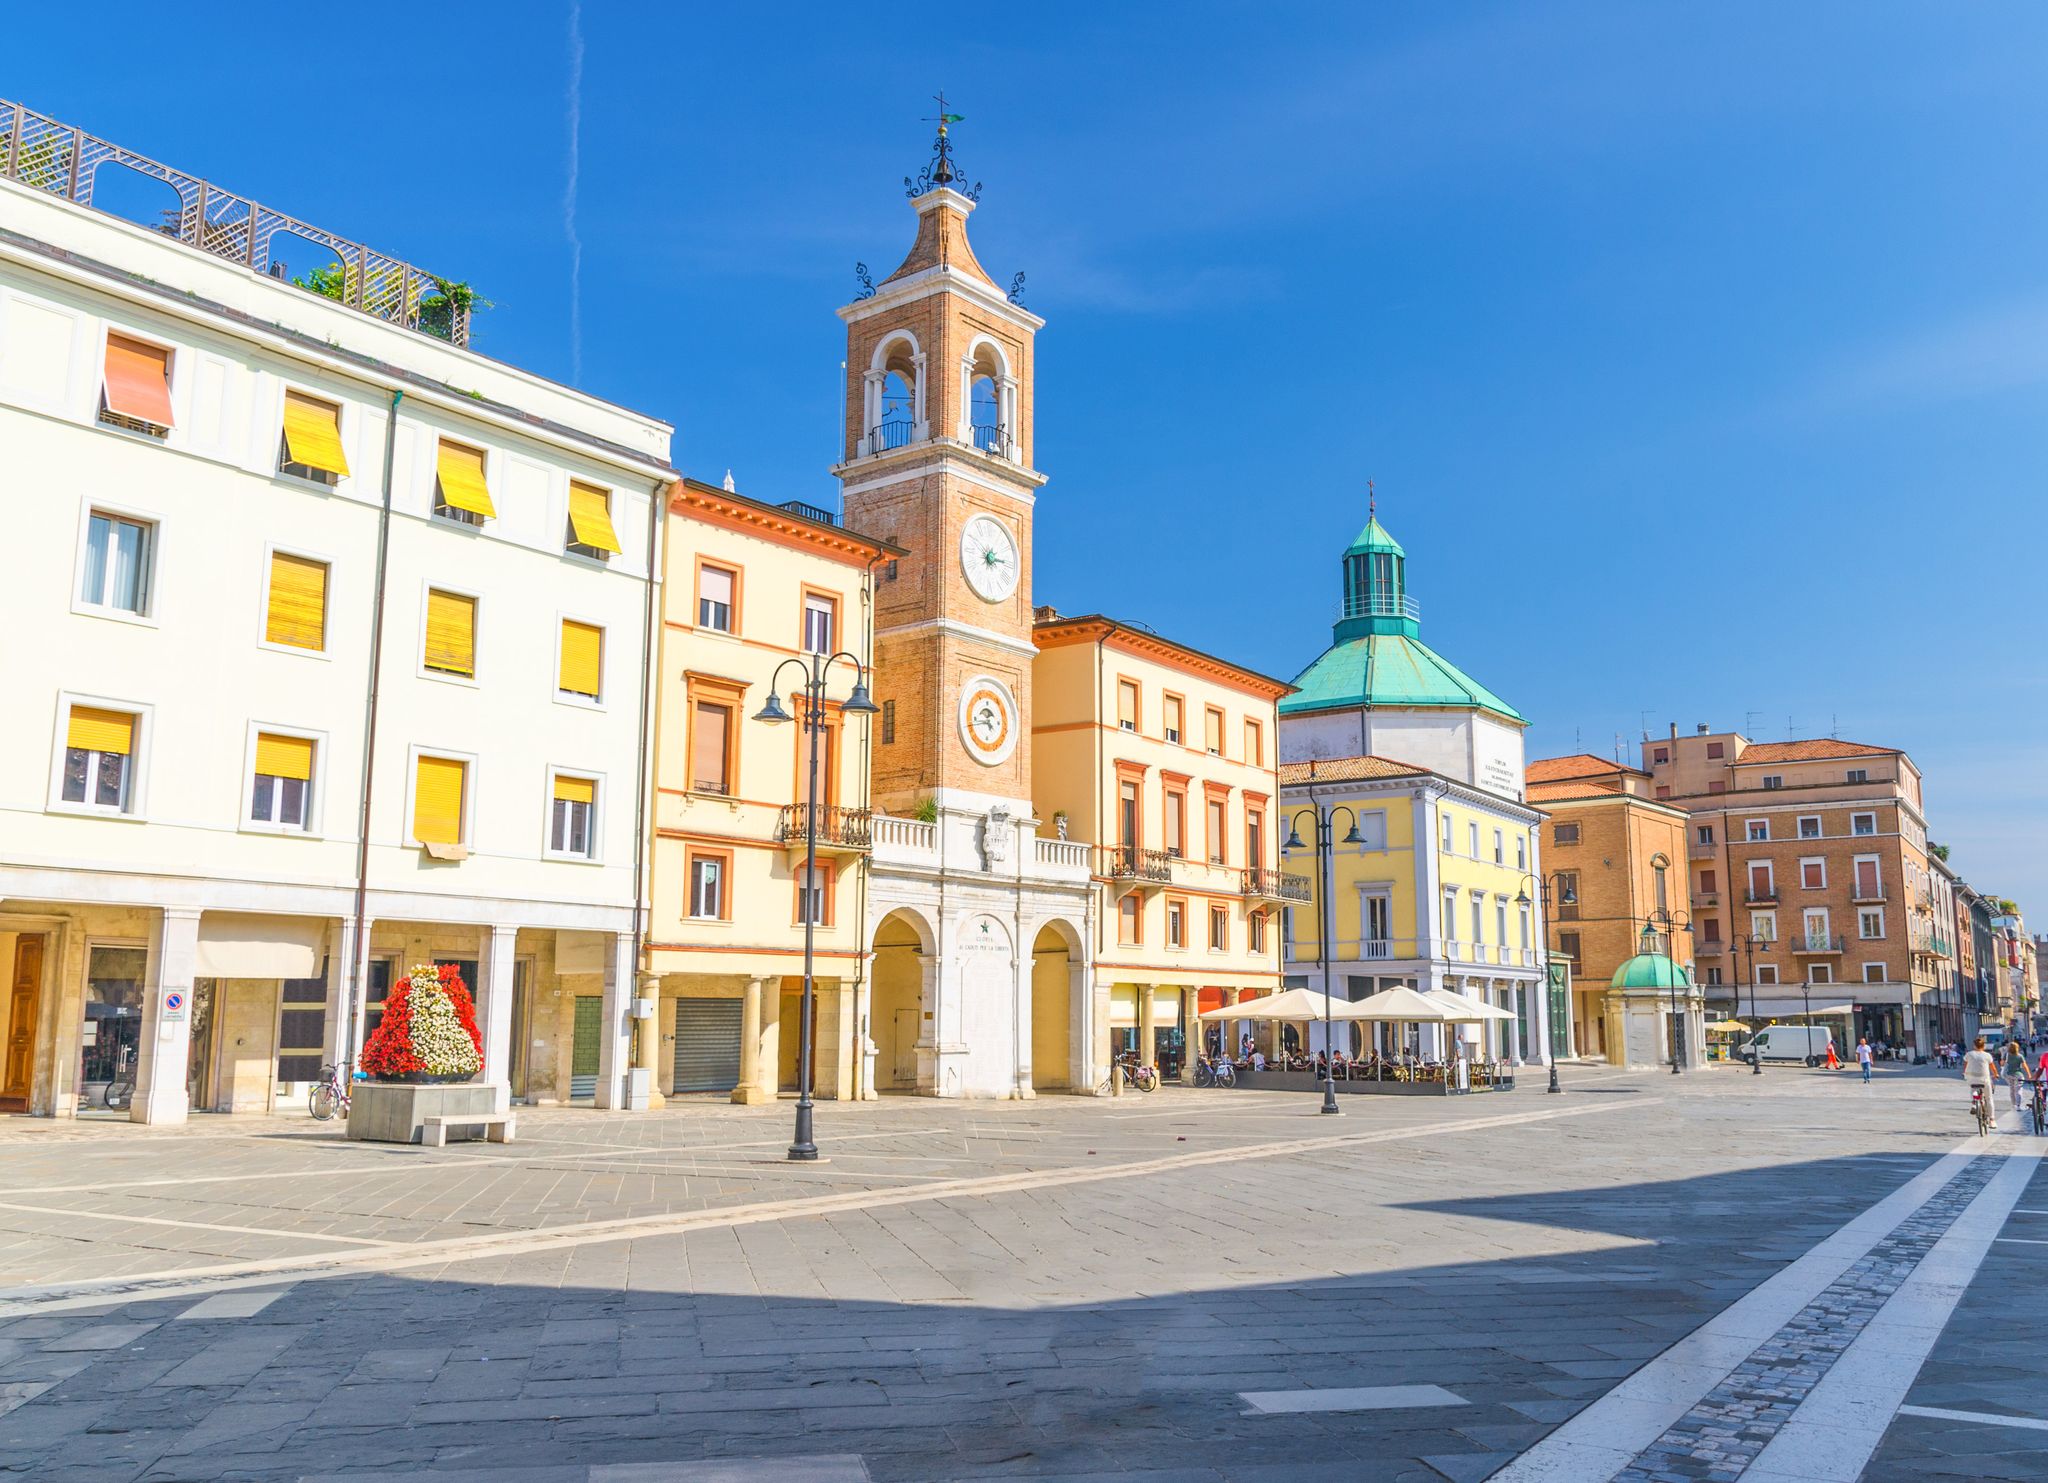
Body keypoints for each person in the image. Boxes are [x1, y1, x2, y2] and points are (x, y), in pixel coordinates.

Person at [1963, 1036, 1998, 1130]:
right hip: (1984, 1079)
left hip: (1971, 1078)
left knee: (1973, 1088)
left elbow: (1965, 1064)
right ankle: (1992, 1120)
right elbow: (1993, 1067)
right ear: (1984, 1046)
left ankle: (1974, 1103)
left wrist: (1965, 1073)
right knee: (1989, 1098)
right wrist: (1996, 1074)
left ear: (1974, 1046)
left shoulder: (1969, 1054)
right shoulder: (1987, 1055)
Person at [2003, 1038, 2032, 1115]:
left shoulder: (2007, 1055)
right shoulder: (2020, 1056)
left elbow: (2002, 1063)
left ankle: (2013, 1105)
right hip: (2018, 1075)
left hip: (2009, 1075)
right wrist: (2029, 1074)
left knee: (2011, 1090)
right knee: (2018, 1090)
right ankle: (2018, 1105)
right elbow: (2025, 1066)